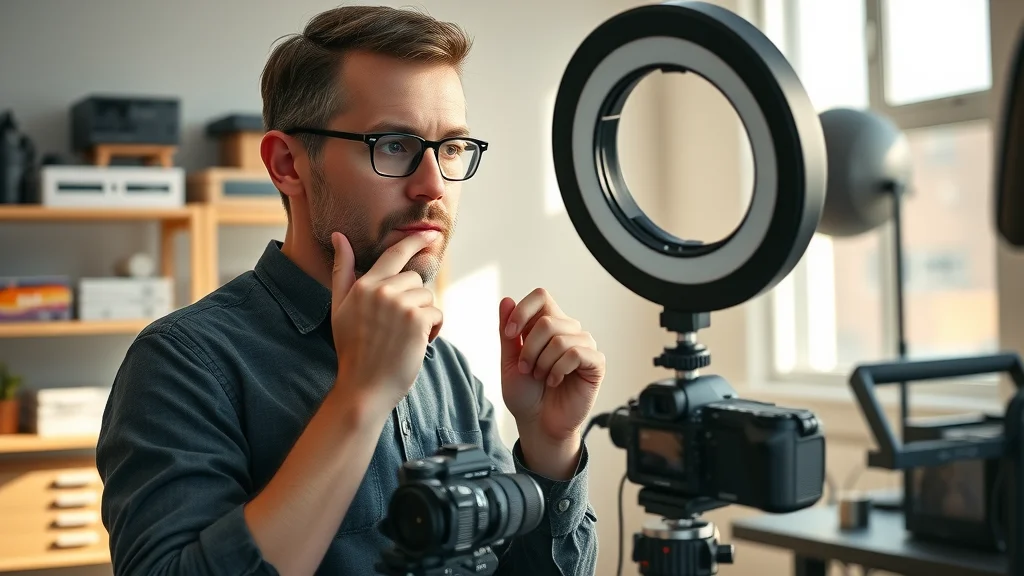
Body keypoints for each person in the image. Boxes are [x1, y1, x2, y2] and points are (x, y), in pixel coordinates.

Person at [96, 5, 603, 576]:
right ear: (288, 163)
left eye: (453, 147)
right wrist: (359, 397)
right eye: (392, 144)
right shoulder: (183, 363)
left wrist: (548, 446)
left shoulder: (449, 370)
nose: (433, 184)